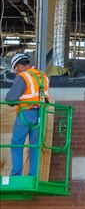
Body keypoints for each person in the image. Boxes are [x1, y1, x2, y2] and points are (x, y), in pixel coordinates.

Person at [6, 51, 50, 181]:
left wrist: (13, 101)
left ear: (19, 66)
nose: (16, 73)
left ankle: (15, 176)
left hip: (26, 113)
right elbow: (44, 97)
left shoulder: (23, 77)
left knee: (17, 144)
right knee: (35, 146)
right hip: (40, 114)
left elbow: (10, 98)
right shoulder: (43, 76)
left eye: (16, 70)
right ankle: (33, 176)